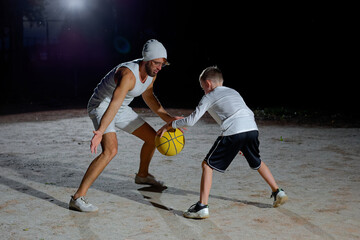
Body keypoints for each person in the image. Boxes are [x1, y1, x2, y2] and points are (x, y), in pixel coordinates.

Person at [157, 66, 288, 219]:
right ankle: (278, 191)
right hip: (252, 128)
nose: (203, 91)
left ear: (208, 84)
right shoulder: (233, 92)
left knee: (207, 165)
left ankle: (202, 206)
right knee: (256, 161)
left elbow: (191, 121)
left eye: (202, 88)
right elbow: (232, 115)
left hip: (235, 131)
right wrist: (239, 143)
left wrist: (170, 125)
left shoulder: (209, 96)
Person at [69, 39, 180, 212]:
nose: (159, 67)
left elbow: (149, 97)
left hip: (119, 107)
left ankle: (142, 176)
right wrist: (100, 131)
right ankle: (77, 198)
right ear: (146, 59)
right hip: (102, 106)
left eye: (162, 64)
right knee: (111, 150)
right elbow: (113, 103)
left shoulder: (152, 74)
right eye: (157, 63)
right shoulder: (128, 75)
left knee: (154, 139)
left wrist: (168, 118)